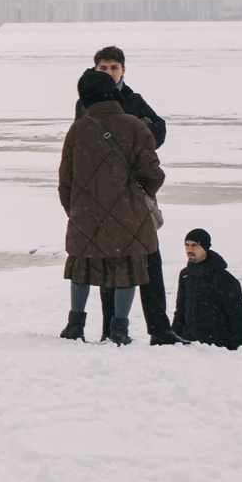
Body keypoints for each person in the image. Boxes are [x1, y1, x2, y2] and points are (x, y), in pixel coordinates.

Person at [78, 46, 179, 344]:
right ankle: (112, 328)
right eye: (103, 68)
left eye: (114, 68)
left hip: (134, 193)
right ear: (95, 69)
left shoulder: (133, 99)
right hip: (105, 196)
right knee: (112, 263)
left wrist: (142, 141)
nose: (109, 73)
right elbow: (85, 143)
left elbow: (157, 130)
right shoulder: (86, 102)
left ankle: (159, 329)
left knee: (149, 261)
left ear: (123, 71)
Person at [58, 68, 165, 344]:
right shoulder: (135, 126)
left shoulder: (78, 129)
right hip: (129, 214)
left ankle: (75, 325)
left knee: (82, 265)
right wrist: (135, 199)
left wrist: (75, 209)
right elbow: (153, 174)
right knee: (126, 269)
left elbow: (65, 180)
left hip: (85, 213)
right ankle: (119, 329)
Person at [172, 228, 242, 349]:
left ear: (205, 247)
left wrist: (238, 347)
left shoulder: (222, 277)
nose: (189, 250)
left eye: (194, 245)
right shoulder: (186, 275)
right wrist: (174, 338)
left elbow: (238, 316)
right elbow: (180, 311)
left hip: (216, 347)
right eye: (186, 245)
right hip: (188, 345)